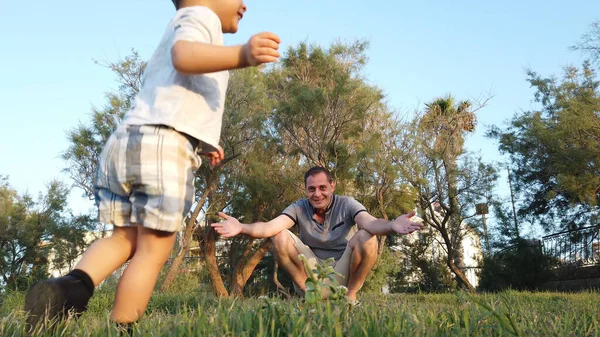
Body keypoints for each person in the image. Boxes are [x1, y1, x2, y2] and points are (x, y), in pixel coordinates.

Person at [24, 0, 280, 332]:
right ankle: (123, 325)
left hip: (127, 143)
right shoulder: (201, 16)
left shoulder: (182, 23)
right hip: (164, 146)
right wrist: (242, 54)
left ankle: (67, 290)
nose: (244, 3)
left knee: (123, 239)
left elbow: (173, 98)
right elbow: (184, 56)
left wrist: (201, 142)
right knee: (153, 249)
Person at [211, 166, 424, 302]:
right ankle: (307, 294)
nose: (317, 193)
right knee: (279, 236)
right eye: (311, 189)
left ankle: (350, 296)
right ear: (305, 189)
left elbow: (369, 222)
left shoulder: (347, 204)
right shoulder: (299, 207)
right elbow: (269, 227)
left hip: (342, 270)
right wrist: (242, 227)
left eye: (322, 187)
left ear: (332, 186)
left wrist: (392, 225)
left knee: (367, 237)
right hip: (310, 272)